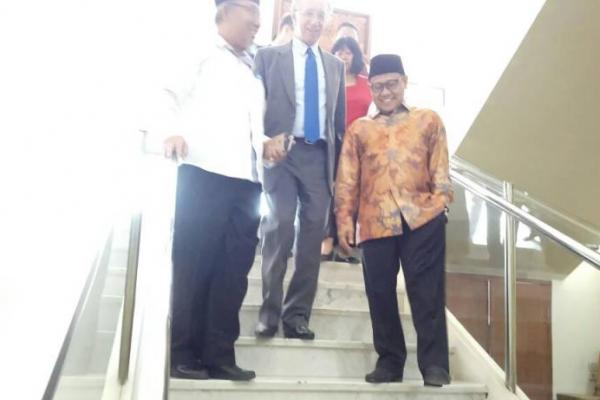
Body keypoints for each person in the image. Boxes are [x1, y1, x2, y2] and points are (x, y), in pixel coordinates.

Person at [163, 0, 288, 381]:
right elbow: (167, 93)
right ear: (226, 10)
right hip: (204, 173)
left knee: (233, 272)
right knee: (195, 265)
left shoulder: (251, 67)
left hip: (246, 182)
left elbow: (246, 128)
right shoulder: (199, 49)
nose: (258, 21)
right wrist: (171, 131)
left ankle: (219, 354)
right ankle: (182, 352)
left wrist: (266, 145)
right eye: (251, 10)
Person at [335, 54, 453, 387]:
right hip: (374, 222)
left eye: (391, 84)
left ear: (404, 82)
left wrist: (440, 204)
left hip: (423, 218)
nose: (385, 92)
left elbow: (440, 168)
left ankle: (435, 365)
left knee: (427, 293)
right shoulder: (359, 130)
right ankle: (389, 362)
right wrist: (344, 221)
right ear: (370, 88)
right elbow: (347, 180)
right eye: (377, 87)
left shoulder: (428, 120)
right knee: (380, 293)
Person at [253, 0, 346, 340]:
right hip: (282, 153)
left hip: (319, 156)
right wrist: (262, 146)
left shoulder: (335, 66)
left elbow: (338, 124)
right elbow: (254, 112)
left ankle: (297, 316)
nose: (315, 21)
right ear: (294, 16)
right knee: (279, 226)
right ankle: (269, 313)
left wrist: (338, 169)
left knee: (312, 236)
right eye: (309, 13)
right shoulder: (268, 57)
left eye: (321, 15)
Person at [320, 36, 372, 262]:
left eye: (348, 51)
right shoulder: (326, 81)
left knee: (353, 192)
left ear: (355, 56)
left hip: (360, 145)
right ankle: (327, 238)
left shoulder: (366, 82)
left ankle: (347, 241)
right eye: (339, 51)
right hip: (332, 143)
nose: (343, 55)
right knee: (330, 192)